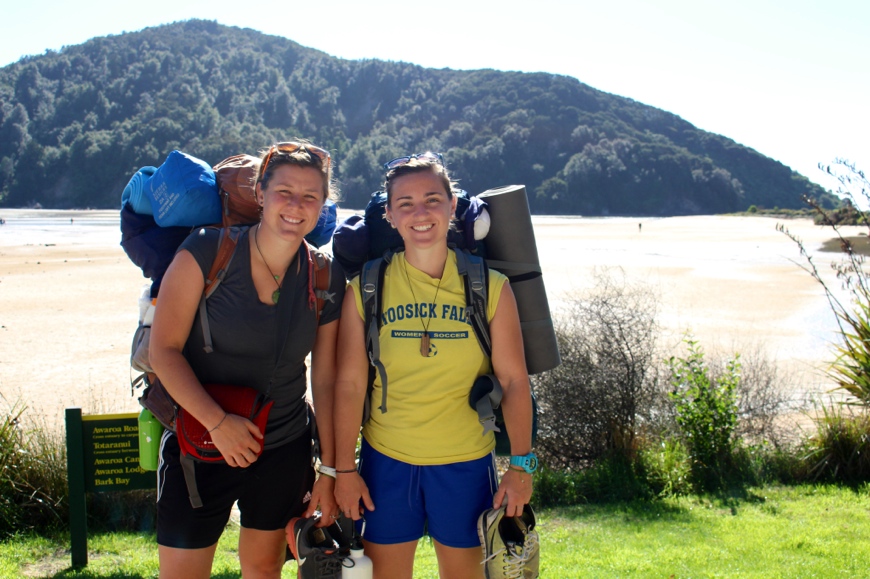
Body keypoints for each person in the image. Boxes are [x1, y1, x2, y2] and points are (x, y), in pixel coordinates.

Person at [149, 140, 345, 579]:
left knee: (263, 569)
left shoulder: (325, 275)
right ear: (260, 193)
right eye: (284, 192)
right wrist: (219, 424)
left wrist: (329, 470)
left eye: (310, 196)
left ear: (322, 205)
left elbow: (327, 381)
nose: (296, 206)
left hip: (283, 445)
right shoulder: (206, 251)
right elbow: (164, 351)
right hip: (198, 441)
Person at [333, 152, 535, 578]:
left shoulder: (489, 287)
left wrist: (521, 466)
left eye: (432, 199)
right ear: (389, 215)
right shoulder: (365, 288)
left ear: (452, 206)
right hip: (386, 463)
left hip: (466, 465)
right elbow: (349, 385)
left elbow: (515, 381)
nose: (420, 213)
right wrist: (345, 469)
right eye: (405, 203)